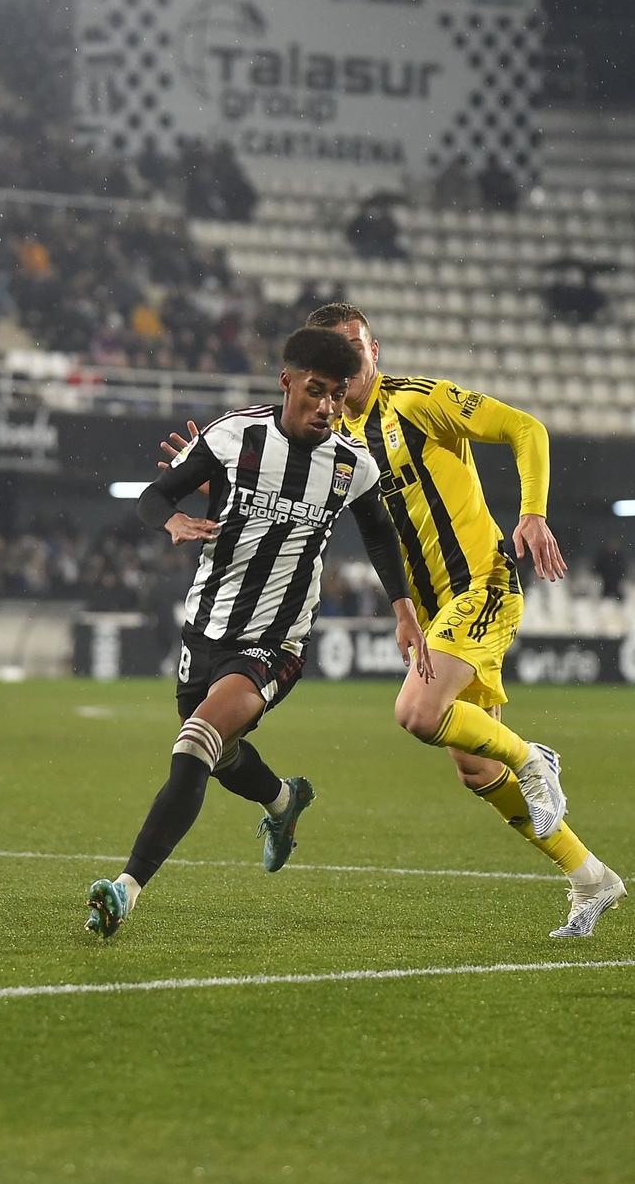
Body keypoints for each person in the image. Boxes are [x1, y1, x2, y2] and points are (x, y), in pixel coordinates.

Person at [85, 328, 425, 939]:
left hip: (276, 643)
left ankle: (125, 889)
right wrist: (173, 520)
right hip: (206, 629)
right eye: (315, 391)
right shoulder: (233, 437)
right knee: (220, 755)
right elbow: (154, 495)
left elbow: (379, 532)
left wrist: (403, 608)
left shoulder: (351, 464)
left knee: (195, 742)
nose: (327, 407)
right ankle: (283, 801)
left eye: (338, 395)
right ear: (287, 382)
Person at [309, 302, 625, 937]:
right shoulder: (333, 439)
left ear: (375, 352)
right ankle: (590, 877)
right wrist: (404, 610)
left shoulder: (417, 401)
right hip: (432, 614)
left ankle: (535, 759)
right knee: (476, 767)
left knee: (416, 712)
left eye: (356, 347)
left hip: (482, 584)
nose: (348, 362)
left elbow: (526, 428)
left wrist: (532, 511)